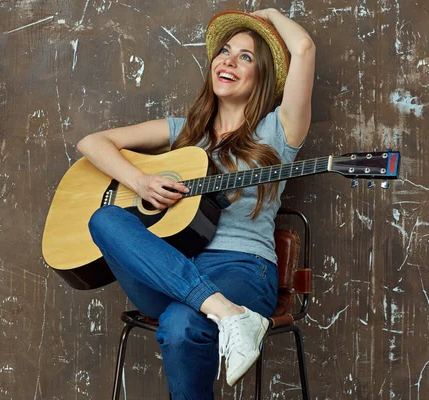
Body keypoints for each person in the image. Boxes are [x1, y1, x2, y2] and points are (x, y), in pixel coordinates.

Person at [77, 8, 315, 399]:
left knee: (181, 324)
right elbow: (92, 143)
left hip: (241, 266)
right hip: (170, 268)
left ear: (262, 76)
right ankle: (230, 315)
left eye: (245, 56)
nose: (228, 60)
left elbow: (303, 48)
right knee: (105, 219)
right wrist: (141, 181)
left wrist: (269, 14)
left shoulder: (279, 129)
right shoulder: (182, 132)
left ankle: (222, 307)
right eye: (224, 51)